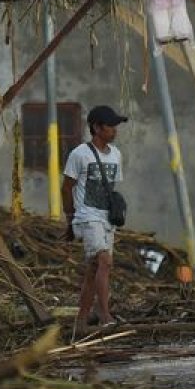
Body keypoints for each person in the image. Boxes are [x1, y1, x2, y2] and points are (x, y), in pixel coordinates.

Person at [62, 105, 128, 339]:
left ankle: (81, 320)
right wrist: (70, 221)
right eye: (110, 126)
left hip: (106, 219)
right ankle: (104, 314)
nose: (114, 130)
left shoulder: (116, 154)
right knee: (105, 261)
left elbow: (112, 188)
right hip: (87, 217)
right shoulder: (80, 154)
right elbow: (66, 188)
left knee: (94, 269)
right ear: (96, 128)